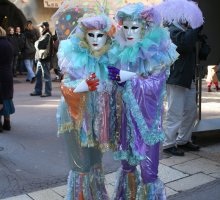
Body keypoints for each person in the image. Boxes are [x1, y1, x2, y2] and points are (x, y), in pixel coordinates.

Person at [107, 3, 178, 199]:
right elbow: (119, 86)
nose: (129, 32)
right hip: (127, 121)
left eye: (135, 27)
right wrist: (117, 81)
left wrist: (127, 78)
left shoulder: (157, 54)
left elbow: (155, 86)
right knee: (127, 165)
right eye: (126, 27)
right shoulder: (122, 52)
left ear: (145, 28)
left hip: (147, 124)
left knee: (148, 171)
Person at [56, 14, 116, 199]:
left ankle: (97, 196)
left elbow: (121, 82)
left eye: (100, 35)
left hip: (97, 121)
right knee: (81, 165)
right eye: (91, 35)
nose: (96, 39)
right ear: (84, 36)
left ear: (107, 37)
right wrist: (84, 85)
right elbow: (66, 87)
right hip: (76, 118)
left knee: (95, 161)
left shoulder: (109, 59)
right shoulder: (74, 56)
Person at [163, 19, 203, 155]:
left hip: (187, 77)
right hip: (176, 78)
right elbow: (184, 45)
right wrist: (195, 29)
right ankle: (168, 144)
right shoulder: (172, 30)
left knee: (191, 111)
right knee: (175, 112)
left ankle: (183, 140)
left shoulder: (185, 30)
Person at [30, 21, 52, 97]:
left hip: (45, 58)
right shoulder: (43, 35)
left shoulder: (47, 35)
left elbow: (39, 45)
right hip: (40, 58)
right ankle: (37, 90)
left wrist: (36, 43)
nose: (39, 29)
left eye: (40, 27)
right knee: (38, 75)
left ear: (44, 27)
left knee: (46, 76)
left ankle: (47, 92)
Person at [0, 26, 15, 132]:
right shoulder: (9, 43)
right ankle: (7, 123)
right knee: (7, 98)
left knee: (0, 98)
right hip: (7, 73)